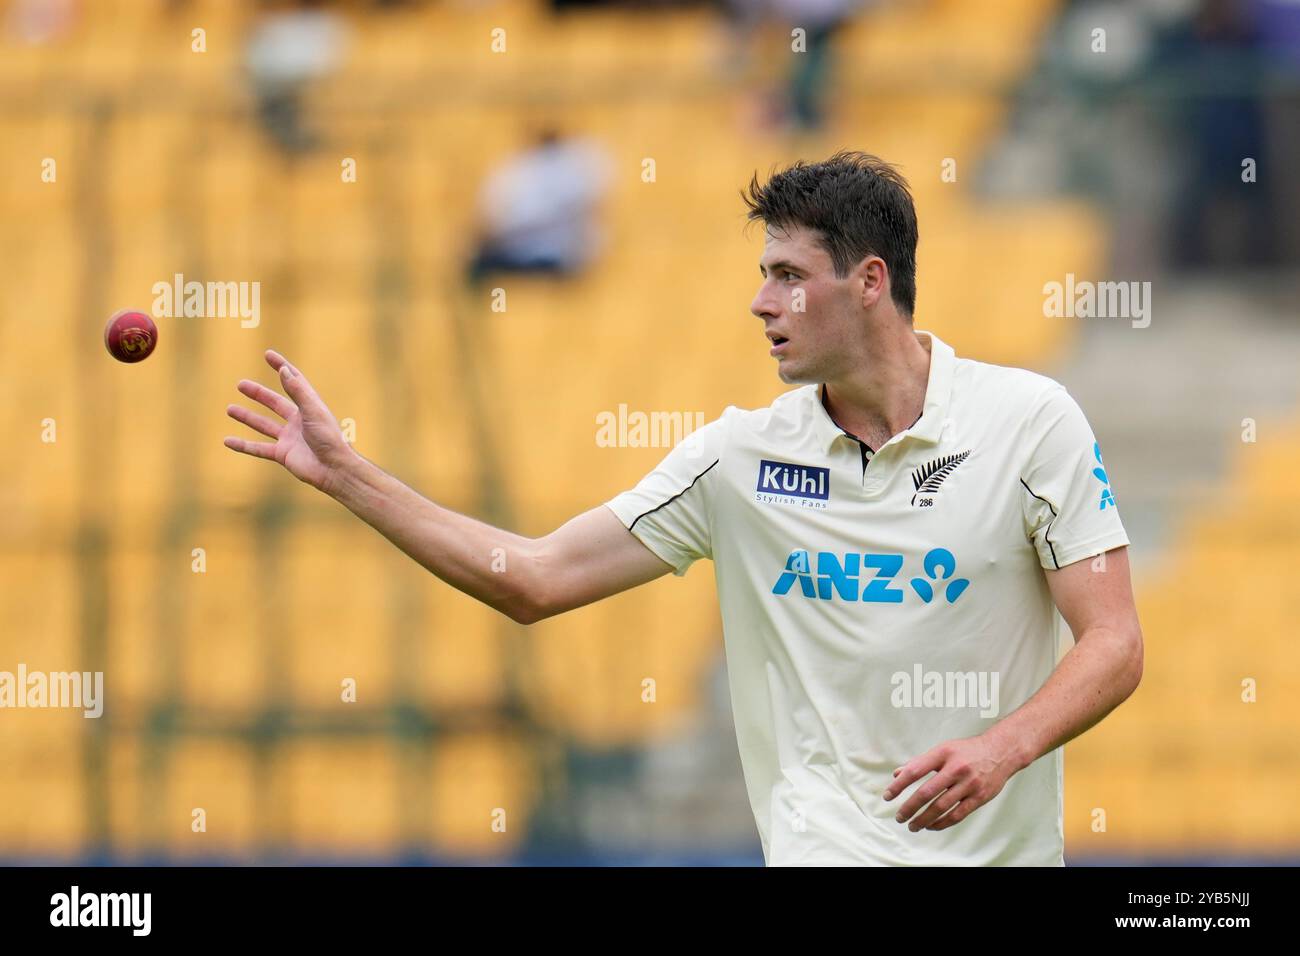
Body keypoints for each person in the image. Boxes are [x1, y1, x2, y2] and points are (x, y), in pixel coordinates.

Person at [224, 150, 1143, 866]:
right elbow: (534, 580)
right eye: (762, 273)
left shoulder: (1029, 424)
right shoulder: (738, 458)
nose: (760, 302)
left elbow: (1114, 643)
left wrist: (1003, 749)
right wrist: (349, 475)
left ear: (869, 282)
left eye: (789, 275)